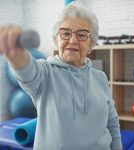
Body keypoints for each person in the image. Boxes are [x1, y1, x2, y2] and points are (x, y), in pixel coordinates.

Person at [0, 1, 122, 150]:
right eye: (65, 33)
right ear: (56, 39)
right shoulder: (45, 73)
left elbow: (112, 124)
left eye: (82, 35)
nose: (72, 40)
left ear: (91, 43)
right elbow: (27, 71)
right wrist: (15, 53)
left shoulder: (100, 77)